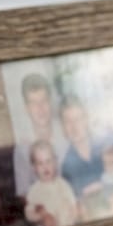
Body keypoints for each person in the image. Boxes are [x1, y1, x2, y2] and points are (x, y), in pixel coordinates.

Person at [12, 73, 68, 201]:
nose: (40, 108)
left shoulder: (66, 130)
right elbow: (23, 193)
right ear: (26, 108)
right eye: (34, 103)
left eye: (44, 101)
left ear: (50, 102)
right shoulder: (22, 148)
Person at [58, 95, 108, 202]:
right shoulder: (67, 168)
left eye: (78, 119)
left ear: (86, 120)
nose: (74, 126)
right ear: (63, 127)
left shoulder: (106, 146)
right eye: (68, 121)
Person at [23, 140, 79, 226]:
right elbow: (29, 213)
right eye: (40, 163)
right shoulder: (34, 190)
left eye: (48, 161)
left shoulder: (63, 184)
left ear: (55, 163)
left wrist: (74, 216)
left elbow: (73, 203)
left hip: (68, 224)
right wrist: (41, 216)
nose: (45, 167)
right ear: (34, 168)